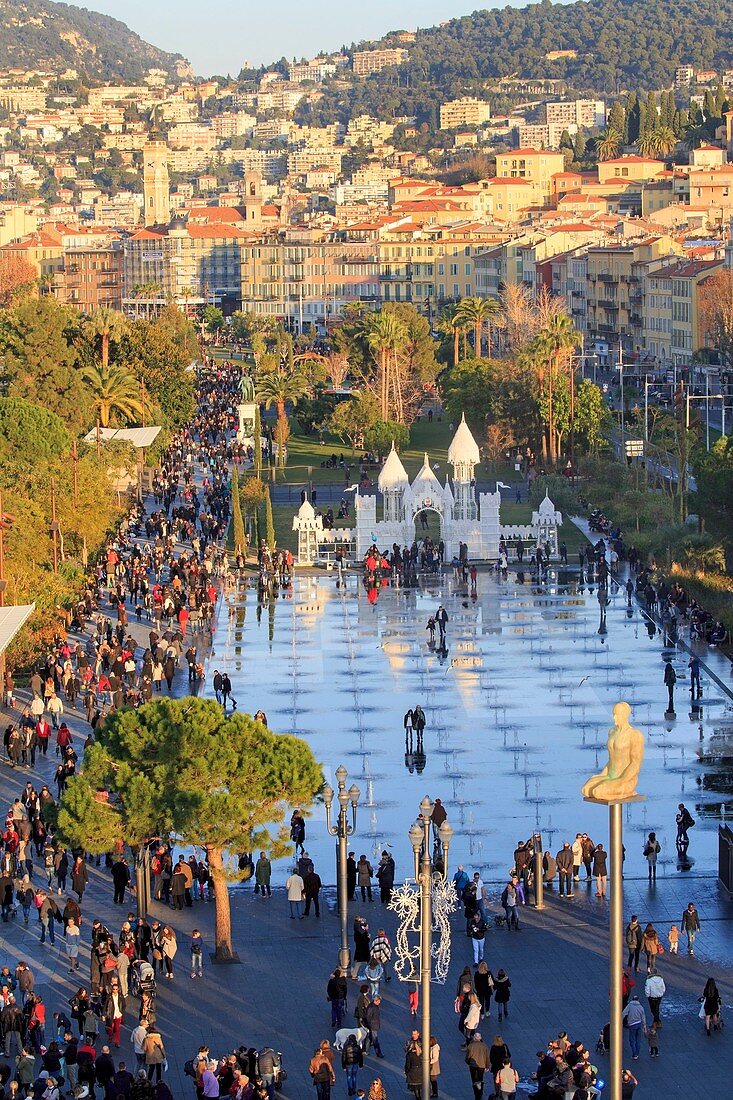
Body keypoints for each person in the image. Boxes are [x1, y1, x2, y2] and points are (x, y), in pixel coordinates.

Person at [621, 995, 647, 1060]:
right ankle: (637, 1053)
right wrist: (644, 1026)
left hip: (632, 1025)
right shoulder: (641, 1007)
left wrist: (620, 1021)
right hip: (639, 1024)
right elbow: (643, 1017)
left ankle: (634, 1054)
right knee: (638, 1039)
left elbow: (624, 1013)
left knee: (632, 1039)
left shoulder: (629, 1006)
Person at [465, 1031, 489, 1099]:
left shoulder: (471, 1045)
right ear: (480, 1038)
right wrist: (487, 1066)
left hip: (473, 1066)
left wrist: (468, 1062)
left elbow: (467, 1057)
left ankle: (476, 1094)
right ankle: (480, 1092)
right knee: (480, 1079)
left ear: (474, 1038)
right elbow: (487, 1057)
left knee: (474, 1080)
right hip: (481, 1065)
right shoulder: (484, 1046)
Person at [341, 1033, 363, 1097]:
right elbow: (360, 1056)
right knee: (354, 1077)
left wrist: (343, 1066)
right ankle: (354, 1089)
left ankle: (350, 1089)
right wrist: (361, 1065)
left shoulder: (346, 1047)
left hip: (348, 1064)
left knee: (349, 1077)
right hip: (355, 1063)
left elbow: (343, 1057)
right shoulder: (358, 1047)